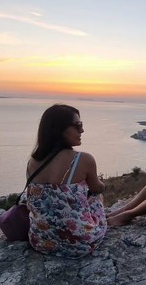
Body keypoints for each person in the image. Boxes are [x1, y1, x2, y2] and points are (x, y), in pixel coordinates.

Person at [26, 104, 106, 259]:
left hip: (40, 242)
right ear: (59, 129)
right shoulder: (82, 159)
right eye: (78, 125)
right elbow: (97, 188)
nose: (82, 130)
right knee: (95, 198)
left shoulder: (32, 163)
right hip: (81, 244)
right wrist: (103, 186)